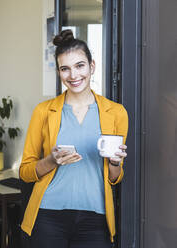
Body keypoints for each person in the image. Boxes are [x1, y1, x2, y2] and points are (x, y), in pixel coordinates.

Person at [19, 29, 128, 248]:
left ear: (92, 66)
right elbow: (25, 172)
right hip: (48, 215)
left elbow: (115, 177)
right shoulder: (43, 111)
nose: (73, 75)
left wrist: (115, 163)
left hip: (96, 219)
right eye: (65, 69)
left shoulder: (116, 113)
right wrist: (52, 160)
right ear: (59, 73)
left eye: (80, 66)